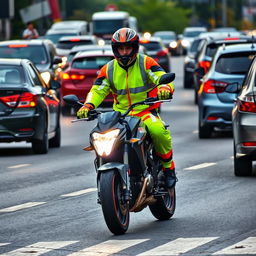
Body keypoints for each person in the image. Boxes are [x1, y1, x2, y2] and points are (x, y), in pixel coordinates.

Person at [77, 28, 177, 189]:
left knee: (158, 131)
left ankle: (169, 169)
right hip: (120, 116)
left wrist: (164, 88)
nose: (124, 52)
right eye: (120, 48)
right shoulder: (108, 69)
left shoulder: (146, 63)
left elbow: (161, 77)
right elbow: (97, 90)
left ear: (135, 48)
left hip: (144, 112)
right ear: (115, 50)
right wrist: (88, 105)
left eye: (127, 48)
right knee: (100, 135)